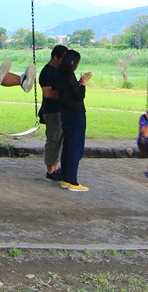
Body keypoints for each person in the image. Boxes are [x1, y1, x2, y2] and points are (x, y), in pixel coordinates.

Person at [56, 49, 91, 192]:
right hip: (76, 114)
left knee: (68, 146)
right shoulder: (69, 74)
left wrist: (78, 82)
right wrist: (83, 83)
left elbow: (68, 91)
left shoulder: (59, 74)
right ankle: (72, 181)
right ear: (72, 62)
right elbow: (78, 96)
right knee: (75, 148)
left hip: (65, 113)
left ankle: (65, 178)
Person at [38, 45, 69, 181]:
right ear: (55, 57)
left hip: (59, 110)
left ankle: (56, 167)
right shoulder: (47, 72)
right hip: (52, 110)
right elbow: (48, 93)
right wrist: (65, 94)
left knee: (59, 140)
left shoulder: (57, 71)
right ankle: (51, 170)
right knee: (53, 139)